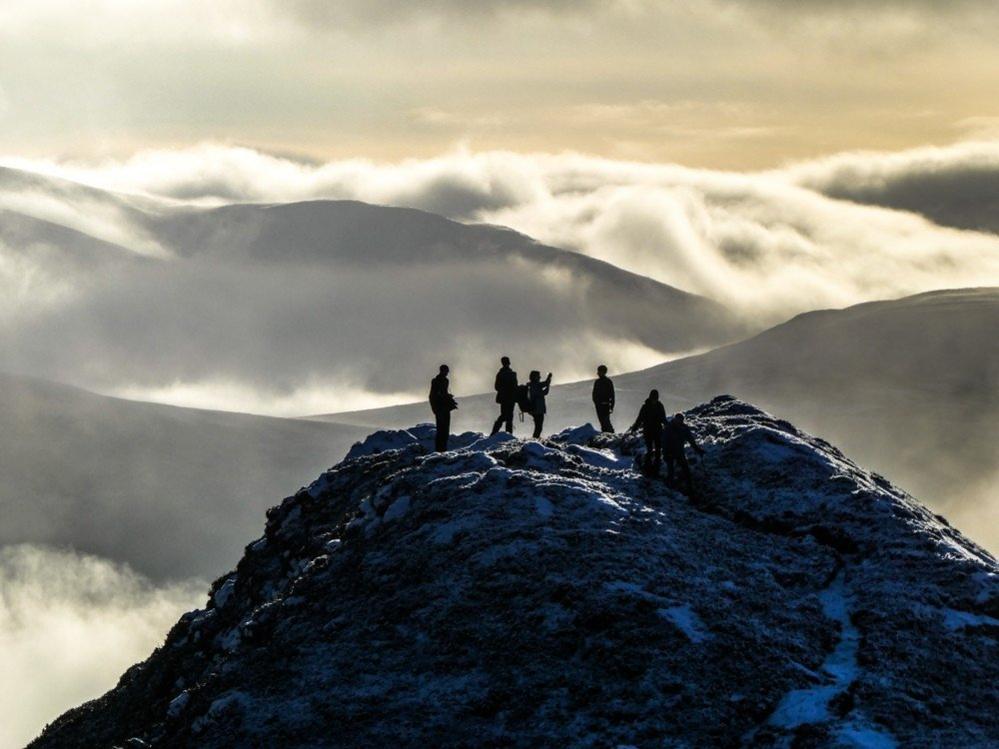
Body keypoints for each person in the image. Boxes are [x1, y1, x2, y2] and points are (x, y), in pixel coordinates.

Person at [628, 389, 668, 475]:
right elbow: (640, 418)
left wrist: (668, 427)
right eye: (653, 398)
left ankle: (656, 468)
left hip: (657, 430)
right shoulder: (645, 406)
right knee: (649, 449)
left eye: (655, 399)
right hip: (648, 431)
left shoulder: (659, 406)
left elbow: (663, 418)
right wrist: (635, 428)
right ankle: (647, 468)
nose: (654, 400)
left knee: (658, 449)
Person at [663, 412, 705, 492]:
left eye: (681, 420)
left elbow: (690, 440)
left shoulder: (684, 428)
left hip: (679, 452)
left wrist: (697, 449)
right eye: (678, 420)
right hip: (670, 452)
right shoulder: (669, 428)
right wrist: (665, 453)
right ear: (675, 419)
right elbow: (664, 441)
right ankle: (669, 487)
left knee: (686, 470)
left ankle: (689, 488)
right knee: (671, 470)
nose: (679, 422)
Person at [428, 364, 457, 451]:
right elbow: (434, 395)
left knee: (445, 429)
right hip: (440, 408)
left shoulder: (446, 380)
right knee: (441, 429)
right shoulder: (435, 381)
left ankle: (443, 448)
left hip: (445, 407)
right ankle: (439, 449)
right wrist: (435, 408)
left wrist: (448, 397)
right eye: (446, 371)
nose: (447, 373)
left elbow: (443, 393)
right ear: (442, 371)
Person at [490, 356, 519, 436]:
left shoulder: (500, 374)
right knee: (508, 416)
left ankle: (495, 432)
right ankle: (508, 434)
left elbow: (496, 387)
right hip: (510, 398)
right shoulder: (512, 374)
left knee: (504, 415)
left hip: (504, 398)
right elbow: (515, 386)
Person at [527, 370, 552, 439]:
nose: (540, 377)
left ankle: (535, 439)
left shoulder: (532, 385)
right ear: (535, 377)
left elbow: (545, 383)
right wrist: (548, 384)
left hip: (535, 409)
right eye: (538, 376)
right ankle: (535, 440)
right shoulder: (535, 386)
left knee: (538, 426)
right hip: (537, 409)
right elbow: (544, 392)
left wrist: (548, 378)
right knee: (539, 427)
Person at [592, 364, 615, 433]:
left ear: (603, 372)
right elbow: (594, 394)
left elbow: (612, 395)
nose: (598, 373)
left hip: (605, 405)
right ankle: (607, 433)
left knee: (605, 421)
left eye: (599, 371)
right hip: (600, 405)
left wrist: (611, 405)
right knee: (602, 422)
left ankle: (610, 434)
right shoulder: (598, 382)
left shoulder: (607, 382)